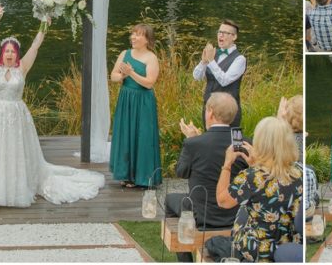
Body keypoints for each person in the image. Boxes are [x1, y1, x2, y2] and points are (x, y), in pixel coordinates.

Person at [0, 15, 104, 207]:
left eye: (13, 52)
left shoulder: (22, 67)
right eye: (6, 51)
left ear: (17, 54)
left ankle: (15, 188)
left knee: (14, 151)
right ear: (1, 53)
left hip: (16, 116)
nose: (9, 54)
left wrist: (44, 25)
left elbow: (35, 46)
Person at [166, 93, 246, 262]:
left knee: (169, 199)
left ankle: (185, 257)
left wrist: (191, 140)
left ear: (210, 112)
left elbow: (182, 173)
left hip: (201, 216)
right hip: (235, 214)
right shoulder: (243, 142)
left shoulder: (194, 143)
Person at [211, 117, 302, 262]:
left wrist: (227, 164)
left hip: (259, 251)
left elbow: (222, 201)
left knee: (242, 206)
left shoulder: (252, 177)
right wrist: (255, 165)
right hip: (290, 244)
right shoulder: (299, 172)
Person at [110, 24, 161, 188]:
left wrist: (131, 73)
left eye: (138, 35)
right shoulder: (124, 54)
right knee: (126, 133)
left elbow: (149, 83)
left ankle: (142, 176)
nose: (133, 37)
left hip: (143, 101)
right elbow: (113, 76)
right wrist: (122, 76)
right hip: (126, 99)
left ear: (147, 40)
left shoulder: (151, 58)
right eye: (133, 34)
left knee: (142, 135)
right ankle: (126, 175)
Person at [193, 20, 245, 128]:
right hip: (209, 110)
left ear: (234, 37)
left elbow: (224, 81)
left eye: (225, 33)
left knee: (231, 144)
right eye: (219, 32)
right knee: (210, 142)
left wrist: (211, 61)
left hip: (228, 112)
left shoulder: (240, 59)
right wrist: (203, 62)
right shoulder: (214, 54)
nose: (220, 35)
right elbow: (197, 77)